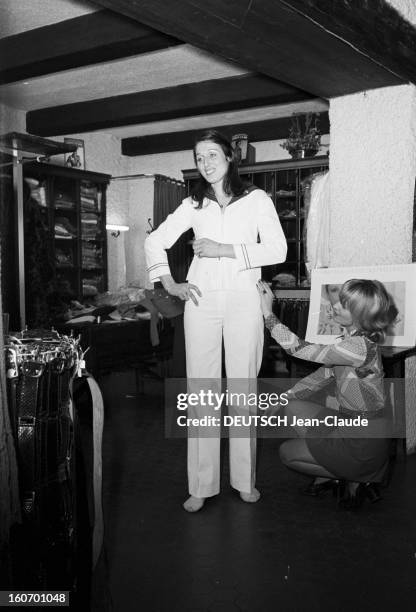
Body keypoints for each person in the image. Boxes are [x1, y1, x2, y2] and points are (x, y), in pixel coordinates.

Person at [145, 129, 287, 512]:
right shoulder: (193, 204)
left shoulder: (256, 199)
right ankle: (201, 486)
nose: (204, 163)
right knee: (202, 390)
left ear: (229, 156)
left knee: (243, 388)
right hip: (201, 302)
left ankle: (245, 481)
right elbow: (154, 241)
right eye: (198, 157)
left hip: (244, 300)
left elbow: (278, 248)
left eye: (211, 154)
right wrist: (170, 283)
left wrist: (223, 250)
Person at [257, 278, 399, 509]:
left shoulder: (357, 347)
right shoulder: (353, 342)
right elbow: (320, 377)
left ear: (360, 314)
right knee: (292, 406)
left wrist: (267, 313)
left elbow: (299, 348)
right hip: (349, 424)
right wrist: (284, 397)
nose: (335, 306)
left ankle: (353, 476)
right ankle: (337, 469)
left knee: (287, 453)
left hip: (363, 439)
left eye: (344, 304)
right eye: (339, 301)